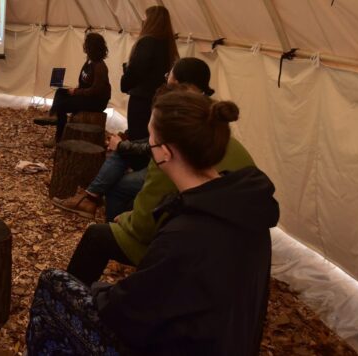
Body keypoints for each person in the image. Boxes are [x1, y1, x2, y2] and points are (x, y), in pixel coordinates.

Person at [27, 91, 278, 355]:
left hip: (182, 346)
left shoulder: (184, 236)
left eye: (151, 137)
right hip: (225, 339)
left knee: (52, 283)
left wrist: (101, 291)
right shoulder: (246, 205)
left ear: (165, 153)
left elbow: (127, 313)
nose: (148, 144)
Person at [52, 58, 220, 221]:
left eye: (169, 74)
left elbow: (157, 147)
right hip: (170, 162)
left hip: (174, 169)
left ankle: (116, 227)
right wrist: (124, 144)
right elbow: (155, 143)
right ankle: (91, 198)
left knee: (119, 184)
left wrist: (122, 145)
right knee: (122, 154)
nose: (166, 77)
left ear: (177, 81)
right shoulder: (197, 105)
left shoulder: (188, 111)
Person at [116, 5, 179, 169]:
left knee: (138, 137)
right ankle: (145, 171)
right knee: (149, 138)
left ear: (152, 21)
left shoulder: (147, 42)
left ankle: (136, 172)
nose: (143, 21)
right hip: (156, 99)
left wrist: (125, 81)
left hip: (141, 100)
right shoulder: (168, 45)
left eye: (146, 18)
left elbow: (136, 71)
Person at [33, 33, 112, 147]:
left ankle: (58, 138)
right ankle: (54, 115)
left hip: (96, 102)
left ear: (92, 47)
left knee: (63, 106)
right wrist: (76, 90)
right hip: (87, 96)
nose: (84, 46)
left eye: (87, 44)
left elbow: (95, 91)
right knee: (60, 92)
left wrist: (76, 92)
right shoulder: (89, 62)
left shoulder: (100, 67)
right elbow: (84, 82)